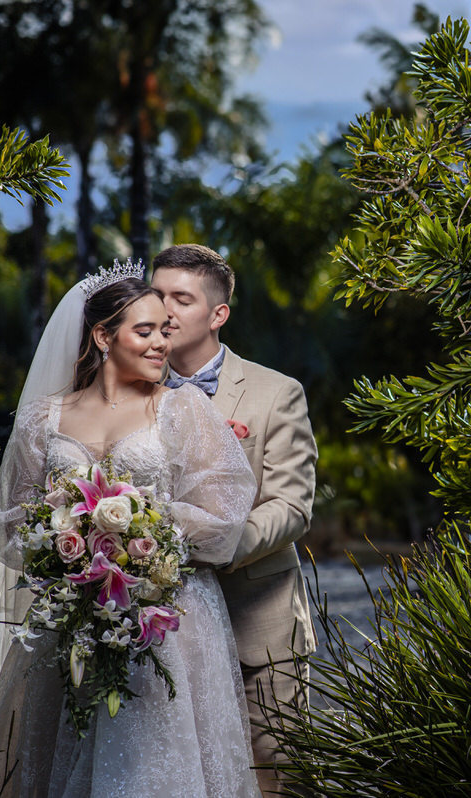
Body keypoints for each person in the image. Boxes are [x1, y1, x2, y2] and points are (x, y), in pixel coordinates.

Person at [0, 264, 262, 797]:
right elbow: (11, 518)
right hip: (72, 621)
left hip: (169, 623)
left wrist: (141, 536)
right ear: (103, 336)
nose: (160, 344)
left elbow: (224, 513)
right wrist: (64, 545)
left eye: (165, 330)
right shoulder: (43, 419)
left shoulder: (184, 408)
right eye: (144, 331)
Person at [150, 244, 317, 795]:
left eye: (182, 298)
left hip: (257, 619)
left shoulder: (275, 393)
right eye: (158, 295)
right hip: (157, 625)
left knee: (277, 770)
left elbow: (291, 506)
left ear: (218, 314)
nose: (166, 310)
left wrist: (217, 542)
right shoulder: (127, 390)